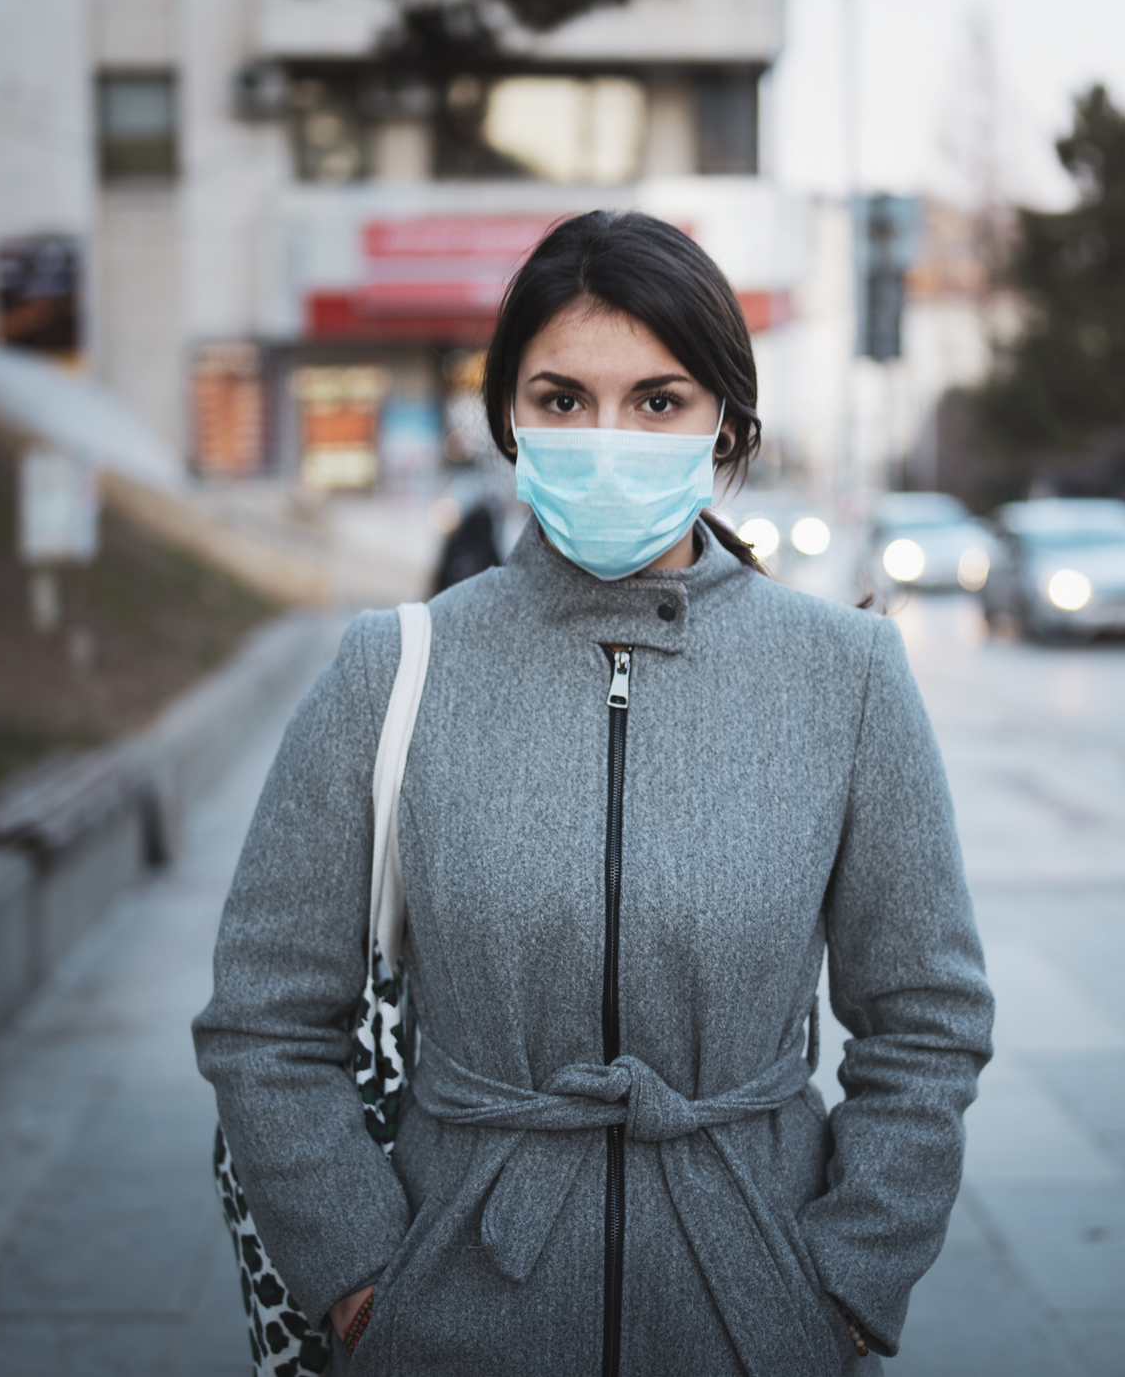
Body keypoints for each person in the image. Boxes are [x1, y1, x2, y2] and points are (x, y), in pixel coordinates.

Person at [193, 211, 994, 1376]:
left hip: (756, 1319)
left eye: (656, 400)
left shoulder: (846, 678)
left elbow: (928, 1017)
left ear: (726, 422)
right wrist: (365, 1283)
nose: (605, 436)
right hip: (450, 1317)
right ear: (508, 419)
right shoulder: (393, 665)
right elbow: (263, 1015)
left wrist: (847, 1286)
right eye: (562, 399)